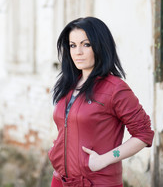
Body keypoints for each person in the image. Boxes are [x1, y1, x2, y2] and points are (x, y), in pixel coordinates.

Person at [48, 17, 154, 187]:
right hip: (61, 180)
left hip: (97, 182)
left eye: (86, 44)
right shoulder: (68, 85)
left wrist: (104, 160)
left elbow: (144, 134)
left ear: (100, 46)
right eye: (73, 45)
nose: (78, 52)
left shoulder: (115, 88)